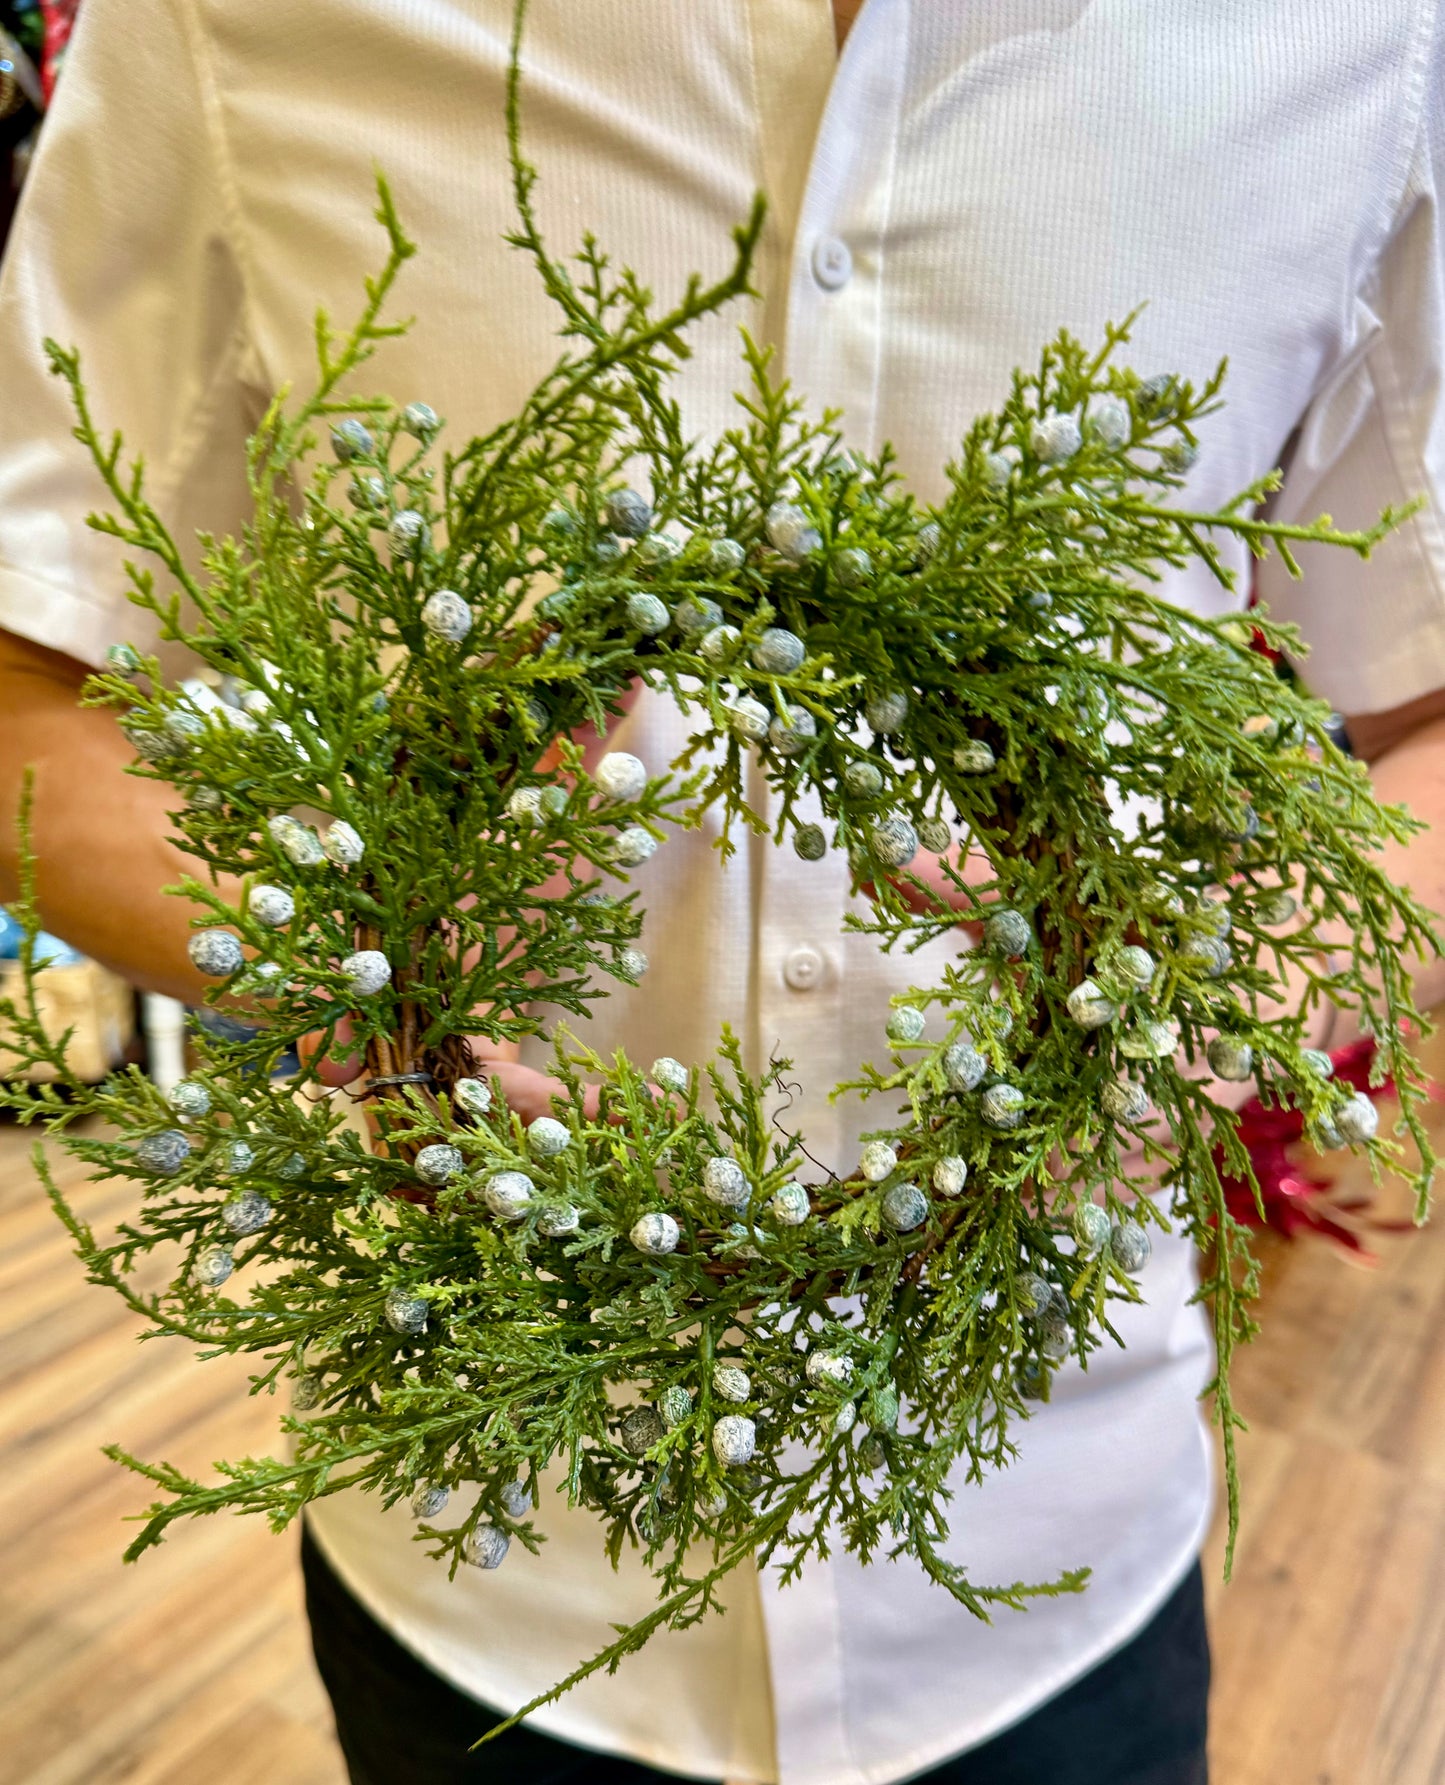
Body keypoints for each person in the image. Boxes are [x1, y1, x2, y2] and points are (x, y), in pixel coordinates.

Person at [3, 2, 1445, 1781]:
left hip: (1044, 1538)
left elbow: (1422, 699)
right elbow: (29, 674)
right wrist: (351, 943)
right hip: (493, 1544)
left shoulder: (1364, 34)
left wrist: (1253, 976)